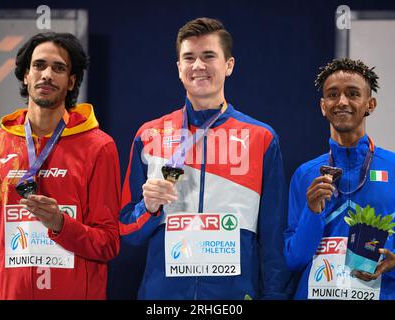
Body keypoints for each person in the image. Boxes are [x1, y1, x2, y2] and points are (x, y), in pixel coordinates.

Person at [119, 17, 292, 300]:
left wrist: (274, 294)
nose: (198, 65)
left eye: (208, 56)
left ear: (229, 65)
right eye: (189, 58)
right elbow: (126, 229)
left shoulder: (261, 137)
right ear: (179, 68)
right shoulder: (149, 135)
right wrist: (148, 208)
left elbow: (273, 235)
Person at [0, 32, 121, 299]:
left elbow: (108, 244)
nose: (47, 74)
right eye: (39, 65)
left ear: (72, 81)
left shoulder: (99, 147)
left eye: (59, 68)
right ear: (26, 75)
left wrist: (61, 224)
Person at [284, 58, 395, 300]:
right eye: (333, 94)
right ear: (323, 106)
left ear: (370, 104)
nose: (342, 102)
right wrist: (312, 213)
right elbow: (294, 258)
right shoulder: (305, 174)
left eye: (353, 93)